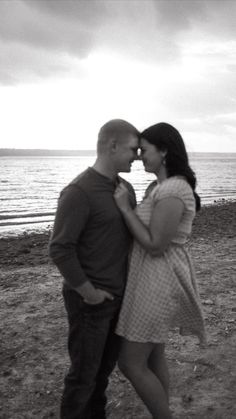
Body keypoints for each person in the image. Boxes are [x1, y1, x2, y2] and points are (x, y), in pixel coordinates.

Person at [114, 122, 206, 419]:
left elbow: (156, 245)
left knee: (130, 363)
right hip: (150, 279)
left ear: (164, 151)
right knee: (153, 356)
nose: (140, 156)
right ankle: (162, 412)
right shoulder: (159, 187)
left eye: (144, 150)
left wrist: (125, 209)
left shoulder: (175, 189)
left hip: (159, 281)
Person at [49, 119, 139, 419]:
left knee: (101, 377)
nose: (136, 156)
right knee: (82, 378)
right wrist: (89, 293)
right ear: (112, 146)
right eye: (132, 149)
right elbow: (60, 248)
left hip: (118, 299)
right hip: (90, 303)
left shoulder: (125, 189)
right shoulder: (79, 191)